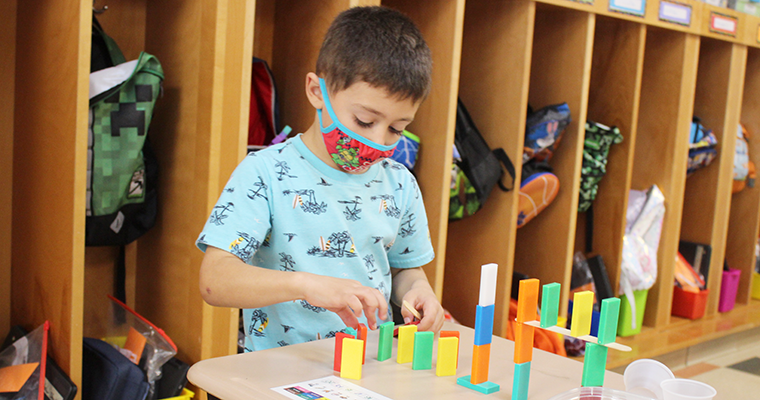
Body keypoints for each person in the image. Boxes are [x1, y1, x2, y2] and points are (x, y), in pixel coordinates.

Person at [196, 6, 444, 352]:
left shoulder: (399, 184)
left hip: (370, 370)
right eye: (363, 120)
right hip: (278, 375)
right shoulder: (265, 173)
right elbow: (214, 281)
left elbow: (406, 270)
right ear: (316, 91)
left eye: (396, 129)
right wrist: (305, 284)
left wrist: (420, 292)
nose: (377, 141)